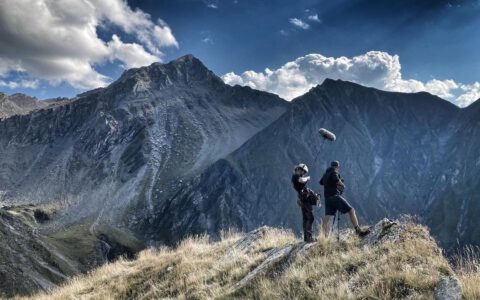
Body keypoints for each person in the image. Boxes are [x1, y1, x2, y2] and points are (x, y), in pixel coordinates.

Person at [320, 161, 370, 237]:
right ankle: (358, 231)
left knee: (327, 217)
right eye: (338, 168)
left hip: (327, 199)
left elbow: (321, 182)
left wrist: (331, 183)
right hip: (335, 196)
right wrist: (342, 184)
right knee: (351, 210)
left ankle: (325, 237)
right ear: (337, 167)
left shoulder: (325, 174)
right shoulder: (334, 172)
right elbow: (337, 180)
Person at [291, 163, 319, 243]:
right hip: (305, 200)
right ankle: (309, 238)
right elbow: (301, 180)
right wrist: (307, 178)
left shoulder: (296, 176)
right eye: (303, 172)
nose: (303, 173)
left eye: (304, 172)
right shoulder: (296, 176)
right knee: (310, 218)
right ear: (299, 170)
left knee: (305, 218)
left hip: (302, 199)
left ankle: (306, 238)